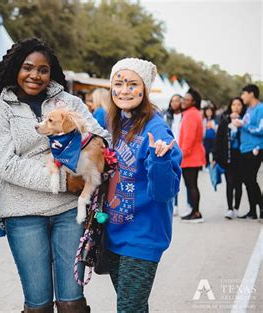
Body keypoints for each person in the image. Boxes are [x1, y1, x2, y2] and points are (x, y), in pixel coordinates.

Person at [0, 37, 110, 313]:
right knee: (38, 305)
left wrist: (88, 161)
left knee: (72, 302)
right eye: (28, 68)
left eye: (43, 70)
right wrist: (66, 182)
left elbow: (101, 136)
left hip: (69, 211)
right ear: (16, 67)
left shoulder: (67, 101)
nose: (35, 75)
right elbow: (6, 164)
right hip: (23, 213)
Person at [104, 58, 182, 312]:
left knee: (129, 308)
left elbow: (165, 193)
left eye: (132, 84)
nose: (124, 90)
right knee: (133, 306)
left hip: (143, 237)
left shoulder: (157, 129)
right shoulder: (113, 122)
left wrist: (160, 160)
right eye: (119, 83)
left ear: (145, 89)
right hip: (113, 232)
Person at [233, 84, 263, 219]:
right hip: (244, 149)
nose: (242, 96)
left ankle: (261, 208)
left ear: (251, 94)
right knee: (246, 179)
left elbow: (261, 129)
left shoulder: (260, 109)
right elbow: (244, 126)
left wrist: (243, 125)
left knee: (251, 179)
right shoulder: (248, 110)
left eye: (244, 93)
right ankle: (252, 211)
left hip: (255, 149)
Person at [213, 97, 245, 219]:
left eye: (239, 105)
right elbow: (218, 139)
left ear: (242, 107)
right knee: (230, 183)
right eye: (234, 105)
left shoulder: (245, 120)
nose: (236, 107)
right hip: (228, 158)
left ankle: (236, 208)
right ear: (230, 107)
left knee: (238, 184)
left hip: (242, 158)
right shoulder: (225, 120)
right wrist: (215, 156)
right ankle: (229, 209)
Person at [179, 88, 206, 222]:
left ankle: (196, 213)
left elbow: (188, 138)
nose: (183, 101)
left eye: (186, 99)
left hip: (190, 156)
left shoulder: (191, 115)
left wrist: (181, 154)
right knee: (191, 185)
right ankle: (193, 210)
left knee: (191, 185)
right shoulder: (192, 113)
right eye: (183, 99)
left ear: (193, 102)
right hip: (192, 155)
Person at [164, 94, 183, 214]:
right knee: (173, 177)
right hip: (171, 149)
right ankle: (174, 204)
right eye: (173, 101)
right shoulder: (167, 116)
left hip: (183, 148)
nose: (175, 103)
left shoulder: (184, 116)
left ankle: (189, 205)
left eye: (177, 101)